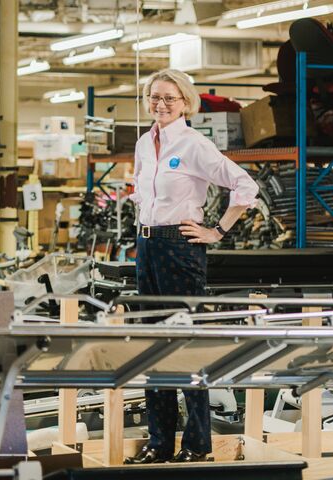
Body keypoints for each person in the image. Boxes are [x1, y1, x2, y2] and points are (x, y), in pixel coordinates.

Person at [126, 69, 259, 464]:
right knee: (154, 349)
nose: (161, 104)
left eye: (169, 98)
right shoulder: (143, 144)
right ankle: (159, 442)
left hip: (179, 248)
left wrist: (217, 230)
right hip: (146, 245)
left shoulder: (194, 144)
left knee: (185, 348)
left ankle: (197, 445)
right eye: (155, 97)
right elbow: (141, 189)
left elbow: (244, 186)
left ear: (185, 102)